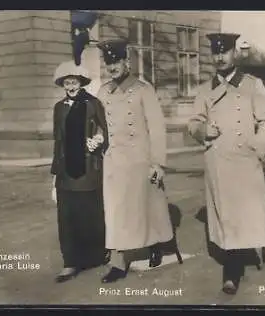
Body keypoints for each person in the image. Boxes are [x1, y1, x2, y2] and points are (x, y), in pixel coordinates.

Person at [188, 33, 265, 295]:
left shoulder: (253, 86)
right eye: (215, 53)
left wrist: (256, 148)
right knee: (227, 216)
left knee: (245, 214)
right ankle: (232, 271)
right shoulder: (205, 90)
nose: (219, 57)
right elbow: (192, 123)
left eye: (224, 52)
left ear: (234, 54)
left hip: (245, 160)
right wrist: (204, 130)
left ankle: (240, 260)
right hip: (218, 162)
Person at [96, 39, 174, 283]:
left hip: (140, 159)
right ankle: (118, 262)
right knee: (116, 211)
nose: (112, 67)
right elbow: (97, 125)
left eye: (116, 61)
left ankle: (155, 245)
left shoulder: (143, 89)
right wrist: (96, 139)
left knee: (146, 207)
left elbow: (157, 128)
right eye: (108, 62)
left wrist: (157, 163)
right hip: (114, 160)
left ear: (126, 61)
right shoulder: (103, 92)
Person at [50, 60, 109, 283]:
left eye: (74, 82)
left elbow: (105, 130)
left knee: (89, 215)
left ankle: (95, 254)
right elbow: (58, 141)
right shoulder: (59, 108)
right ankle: (70, 262)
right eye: (67, 82)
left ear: (81, 83)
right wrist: (54, 177)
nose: (71, 86)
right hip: (65, 173)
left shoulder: (93, 104)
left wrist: (99, 139)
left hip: (87, 171)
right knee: (66, 218)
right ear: (62, 84)